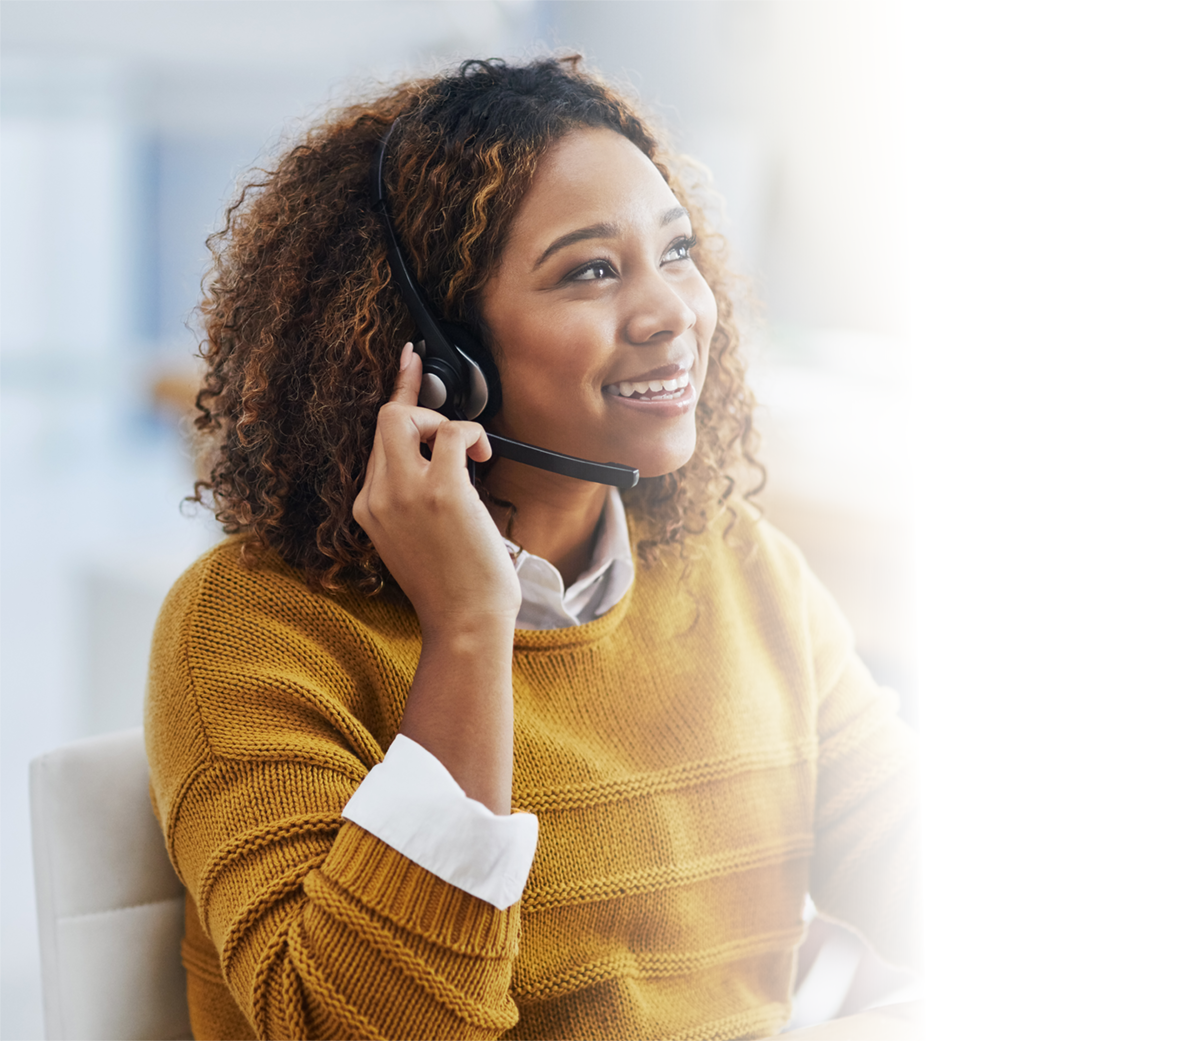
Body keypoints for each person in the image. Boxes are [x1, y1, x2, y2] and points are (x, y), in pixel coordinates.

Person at [145, 56, 919, 1040]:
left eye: (675, 251)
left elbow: (910, 863)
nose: (671, 312)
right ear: (436, 358)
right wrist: (469, 630)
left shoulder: (737, 565)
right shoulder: (256, 628)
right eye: (591, 270)